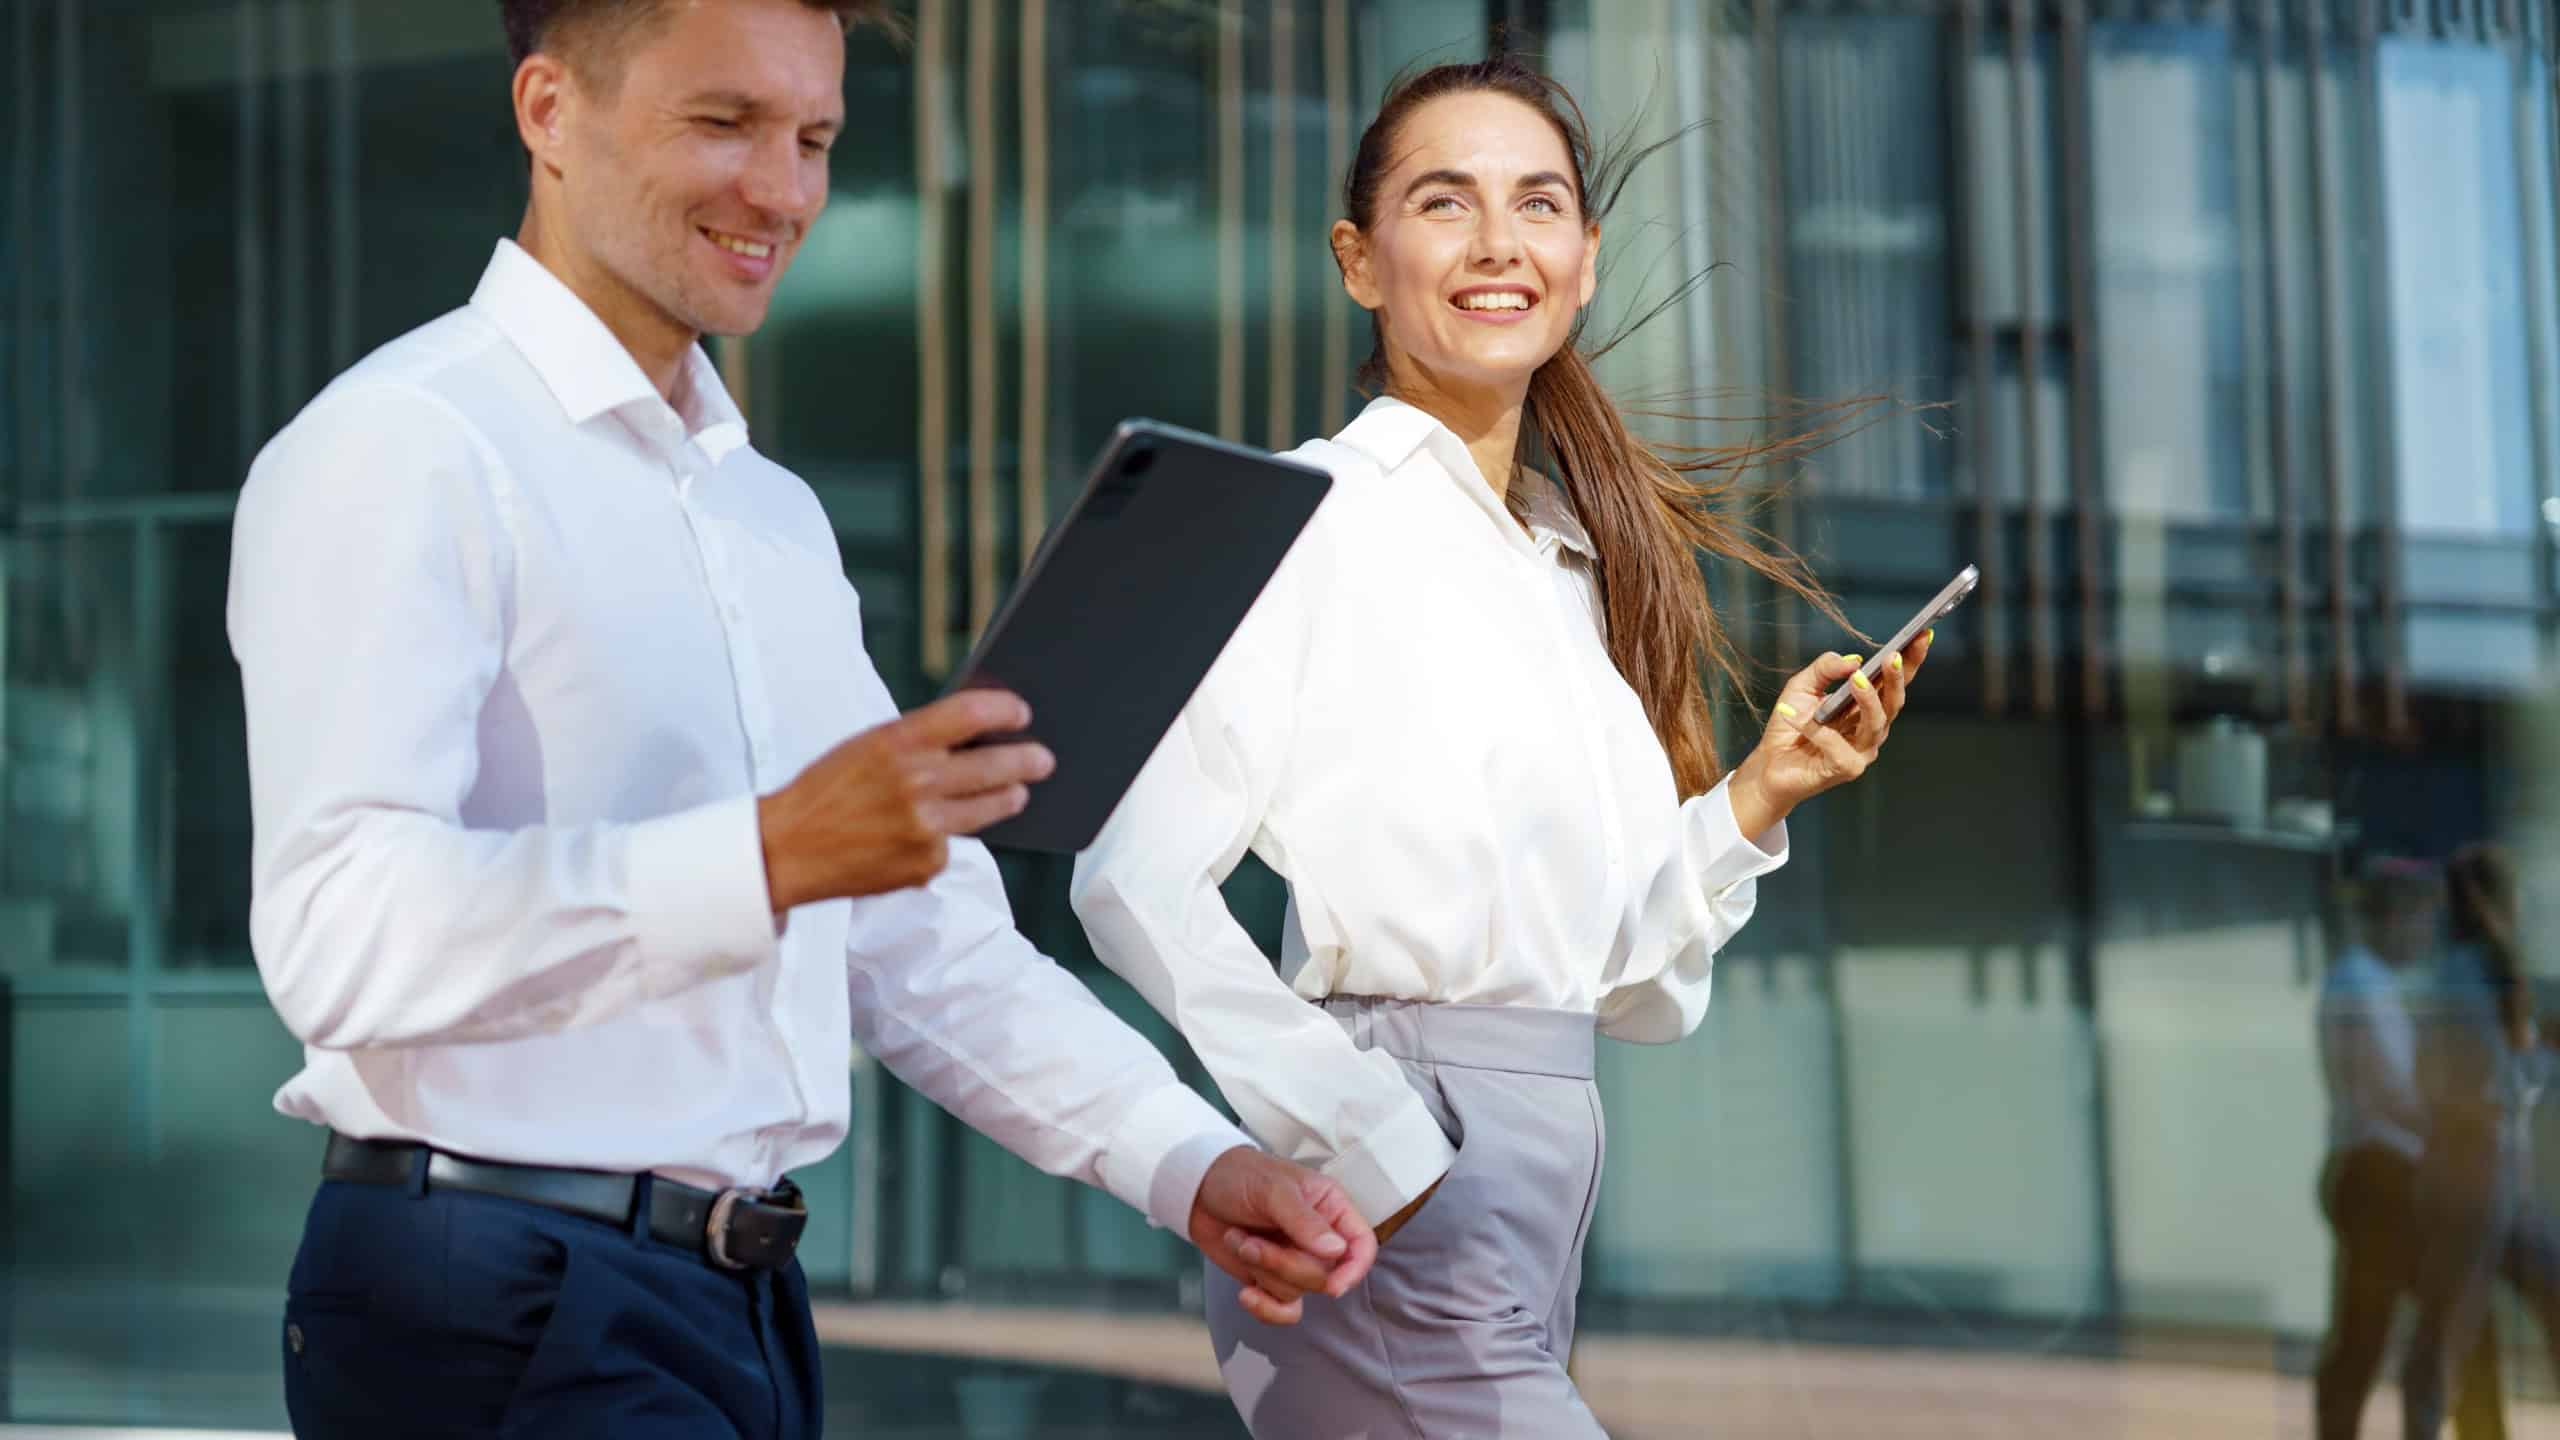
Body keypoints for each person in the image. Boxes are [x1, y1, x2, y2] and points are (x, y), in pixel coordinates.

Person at [226, 3, 1372, 1436]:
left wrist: (1186, 1164)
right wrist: (767, 857)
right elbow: (342, 935)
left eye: (816, 137)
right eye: (724, 123)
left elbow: (921, 940)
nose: (783, 190)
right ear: (546, 111)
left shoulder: (765, 516)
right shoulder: (402, 450)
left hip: (737, 1298)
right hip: (496, 1290)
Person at [1068, 56, 1919, 1438]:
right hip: (1400, 1178)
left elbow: (1619, 975)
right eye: (1443, 203)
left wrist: (1757, 795)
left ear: (1582, 263)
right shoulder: (1304, 518)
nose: (1496, 244)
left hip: (1535, 1175)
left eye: (1536, 205)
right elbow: (1129, 877)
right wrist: (1366, 1136)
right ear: (1359, 261)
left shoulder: (1562, 567)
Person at [2311, 858, 2501, 1440]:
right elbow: (2393, 1093)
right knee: (2408, 1326)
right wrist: (2462, 1124)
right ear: (2394, 918)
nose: (2426, 935)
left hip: (2375, 1175)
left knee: (2377, 1331)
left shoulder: (2359, 981)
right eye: (2422, 920)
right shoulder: (2363, 986)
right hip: (2382, 1179)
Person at [2403, 843, 2560, 1438]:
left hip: (2480, 1170)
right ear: (2501, 901)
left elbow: (2436, 1076)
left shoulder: (2458, 974)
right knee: (2445, 1336)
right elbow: (2500, 1086)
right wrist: (2542, 1057)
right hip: (2481, 1171)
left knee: (2455, 1329)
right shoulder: (2478, 978)